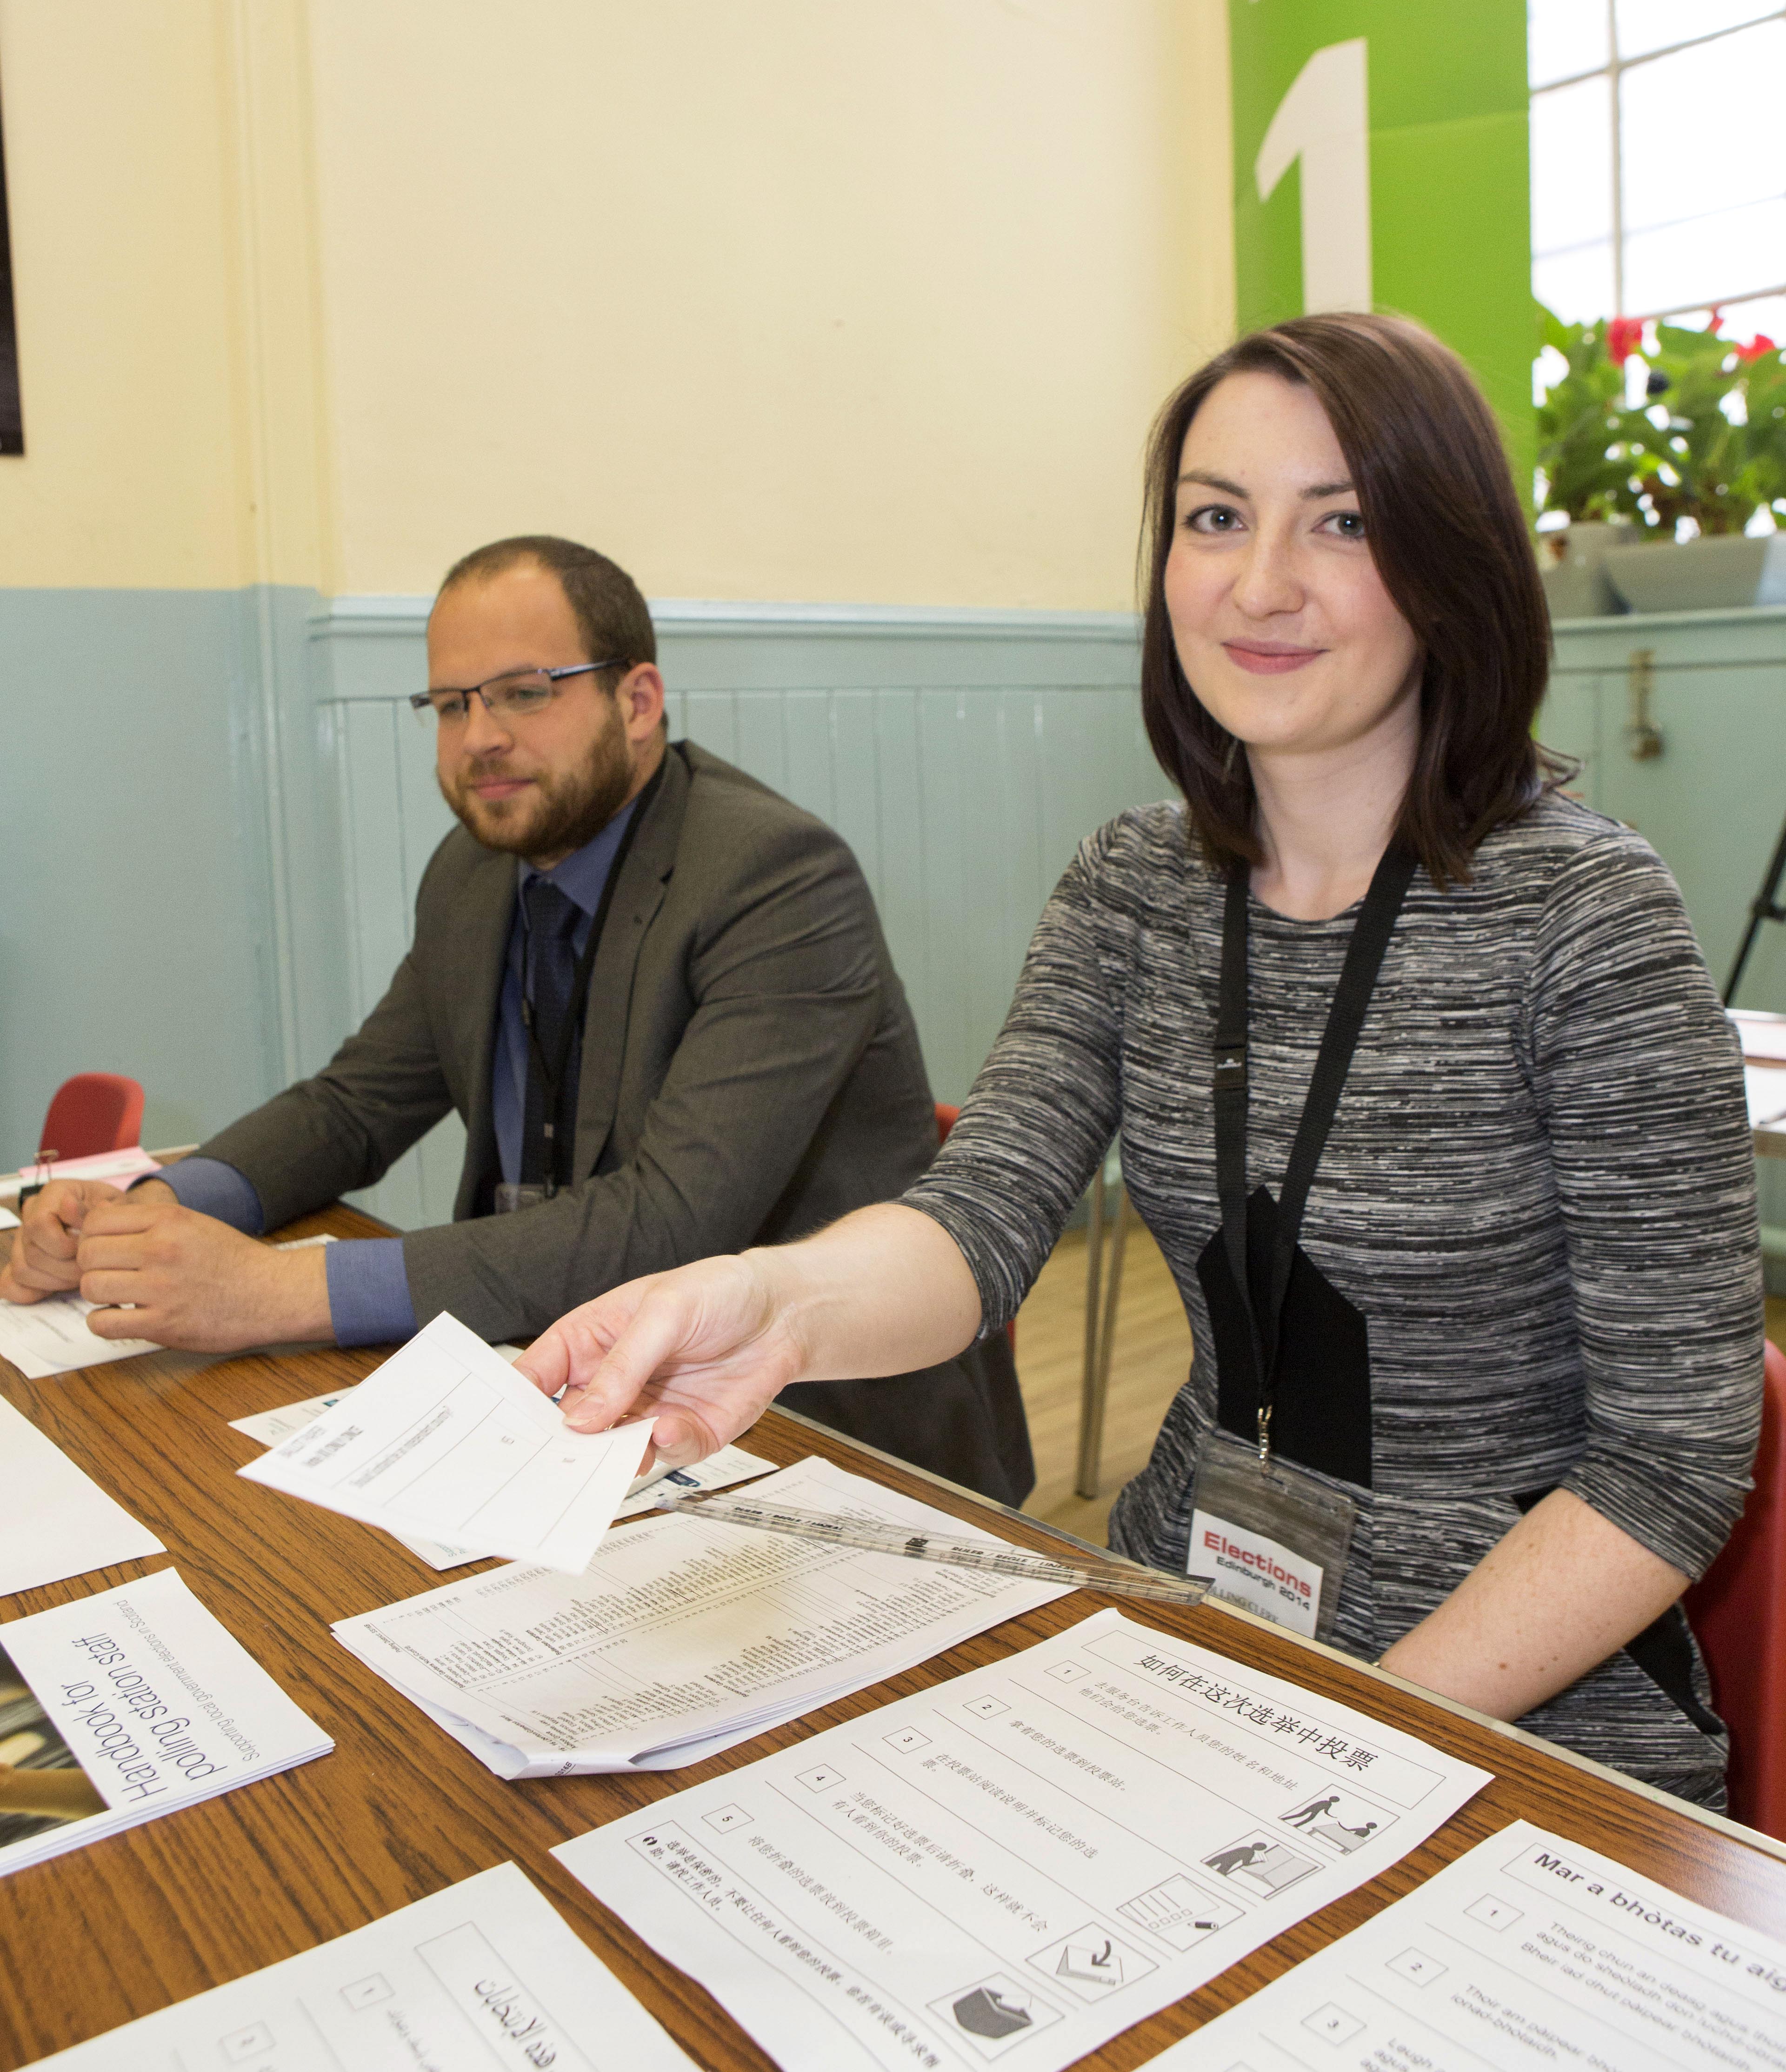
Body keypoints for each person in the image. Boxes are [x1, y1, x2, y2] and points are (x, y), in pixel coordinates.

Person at [508, 317, 1764, 1806]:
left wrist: (1355, 1730)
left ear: (1453, 563)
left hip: (1503, 1714)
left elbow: (1674, 1458)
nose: (1260, 585)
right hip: (1188, 1639)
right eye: (1215, 518)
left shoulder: (1585, 920)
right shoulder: (1135, 888)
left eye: (1343, 523)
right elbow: (982, 1217)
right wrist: (773, 1301)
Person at [0, 535, 1032, 1503]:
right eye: (450, 704)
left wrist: (275, 1292)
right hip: (544, 1384)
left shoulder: (775, 878)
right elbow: (356, 1105)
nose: (480, 738)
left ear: (638, 701)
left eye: (524, 694)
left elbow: (668, 1224)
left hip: (798, 1431)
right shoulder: (474, 870)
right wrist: (159, 1210)